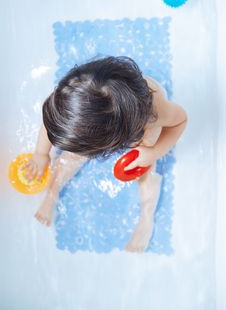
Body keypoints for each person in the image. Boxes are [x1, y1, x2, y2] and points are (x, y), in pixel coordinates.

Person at [23, 56, 188, 252]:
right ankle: (52, 193)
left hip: (142, 125)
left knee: (143, 167)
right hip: (115, 110)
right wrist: (41, 154)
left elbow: (180, 121)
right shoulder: (71, 97)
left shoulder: (155, 112)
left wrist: (152, 153)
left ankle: (146, 217)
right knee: (71, 154)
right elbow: (50, 125)